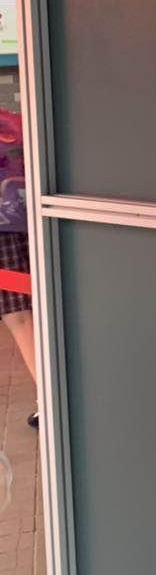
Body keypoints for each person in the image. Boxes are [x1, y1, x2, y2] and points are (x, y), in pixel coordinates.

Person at [0, 109, 34, 427]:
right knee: (34, 312)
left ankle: (49, 400)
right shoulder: (12, 122)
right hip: (29, 222)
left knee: (19, 317)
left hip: (4, 232)